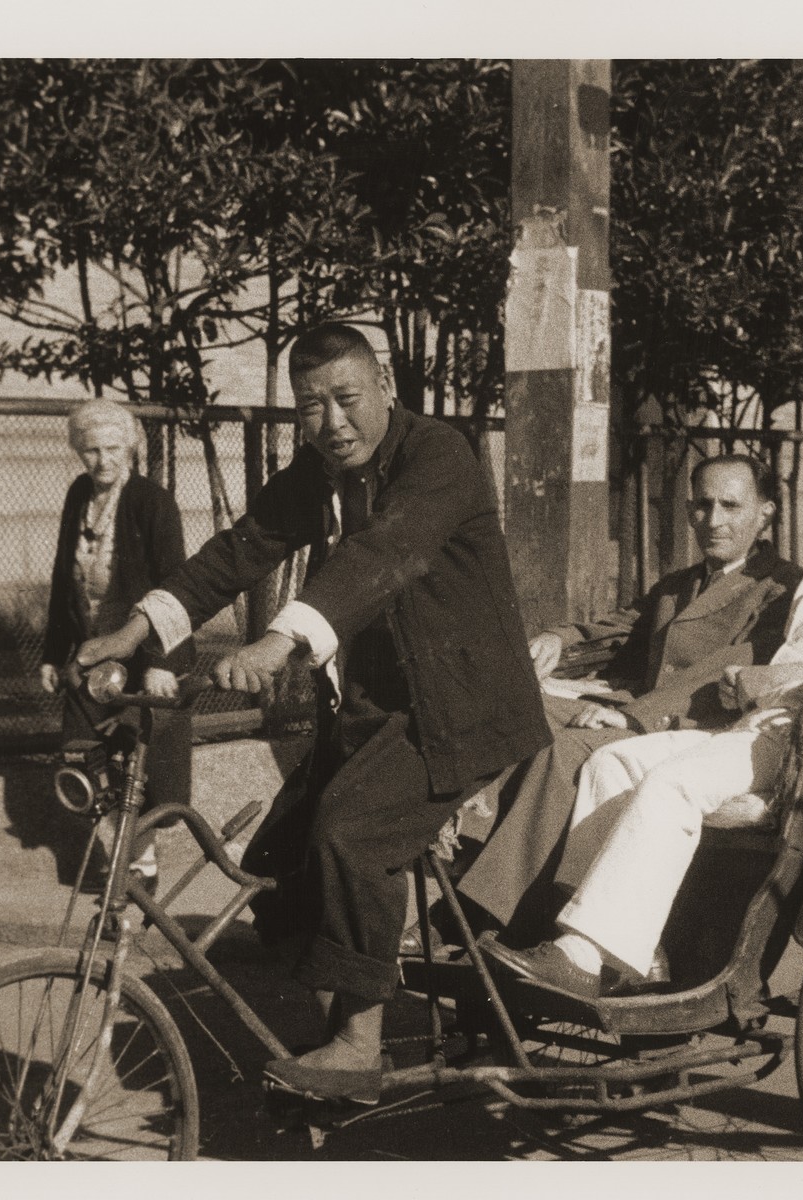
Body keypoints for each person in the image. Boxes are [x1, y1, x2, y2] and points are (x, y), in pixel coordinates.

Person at [77, 323, 549, 1104]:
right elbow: (238, 550)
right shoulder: (316, 473)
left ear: (386, 388)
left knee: (350, 835)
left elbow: (380, 558)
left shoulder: (440, 455)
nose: (331, 422)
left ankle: (360, 1046)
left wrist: (275, 642)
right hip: (373, 709)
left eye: (346, 398)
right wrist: (135, 626)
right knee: (279, 863)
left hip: (462, 709)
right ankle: (343, 1031)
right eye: (310, 406)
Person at [482, 431, 803, 998]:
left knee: (670, 785)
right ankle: (639, 951)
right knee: (611, 765)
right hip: (762, 727)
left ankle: (582, 956)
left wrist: (784, 677)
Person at [456, 454, 803, 941]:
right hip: (633, 705)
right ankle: (468, 850)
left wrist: (636, 719)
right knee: (520, 711)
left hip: (696, 728)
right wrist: (561, 637)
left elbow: (730, 667)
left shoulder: (781, 589)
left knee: (566, 750)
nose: (714, 520)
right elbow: (622, 626)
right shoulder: (682, 583)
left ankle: (484, 913)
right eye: (702, 506)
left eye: (731, 505)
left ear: (765, 512)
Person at [38, 399, 193, 888]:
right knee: (82, 755)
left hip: (145, 654)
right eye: (90, 451)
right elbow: (65, 582)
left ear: (130, 448)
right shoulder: (77, 496)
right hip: (90, 652)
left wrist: (160, 661)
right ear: (78, 453)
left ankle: (138, 867)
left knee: (137, 760)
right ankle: (118, 851)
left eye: (111, 449)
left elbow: (173, 584)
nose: (102, 461)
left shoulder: (153, 501)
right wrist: (51, 653)